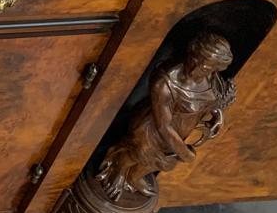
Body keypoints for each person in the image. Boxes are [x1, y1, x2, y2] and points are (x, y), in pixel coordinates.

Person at [96, 32, 235, 199]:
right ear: (190, 53)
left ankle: (134, 177)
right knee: (141, 153)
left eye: (205, 67)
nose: (194, 68)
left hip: (179, 131)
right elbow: (164, 126)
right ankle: (118, 170)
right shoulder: (165, 81)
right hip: (153, 128)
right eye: (194, 59)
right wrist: (184, 152)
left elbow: (208, 99)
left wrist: (217, 113)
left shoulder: (213, 79)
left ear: (215, 68)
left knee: (165, 162)